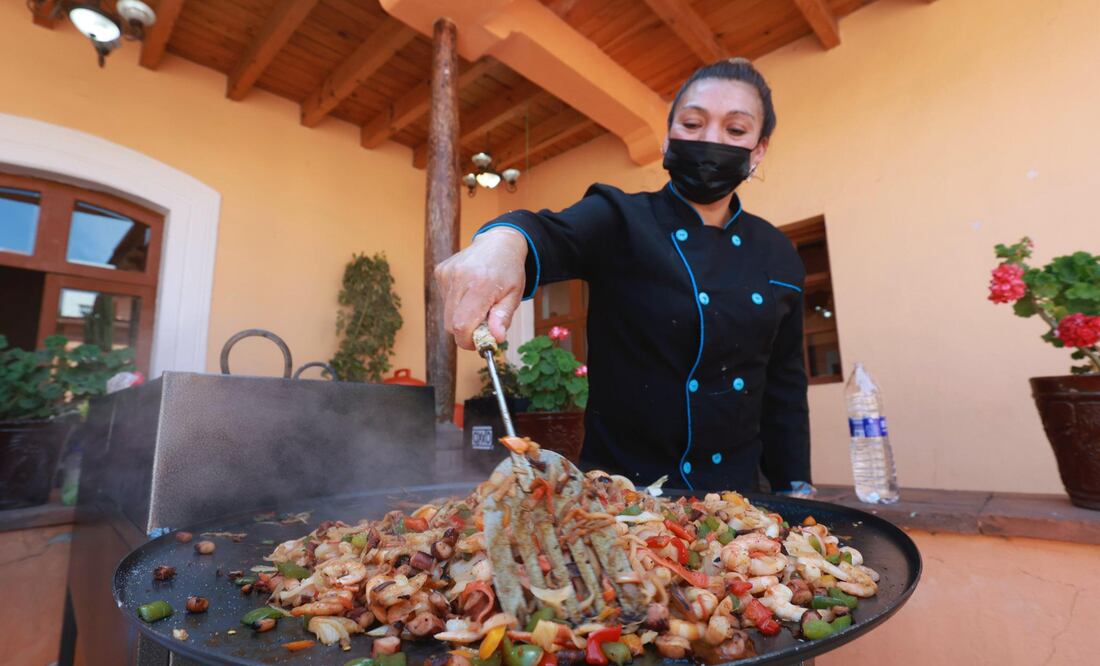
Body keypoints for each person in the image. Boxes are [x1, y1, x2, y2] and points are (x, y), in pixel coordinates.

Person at [435, 58, 809, 493]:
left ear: (758, 149)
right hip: (618, 502)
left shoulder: (778, 254)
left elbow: (784, 387)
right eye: (692, 123)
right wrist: (503, 242)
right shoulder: (621, 218)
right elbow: (550, 233)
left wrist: (795, 488)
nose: (711, 140)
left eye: (736, 130)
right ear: (670, 137)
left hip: (738, 500)